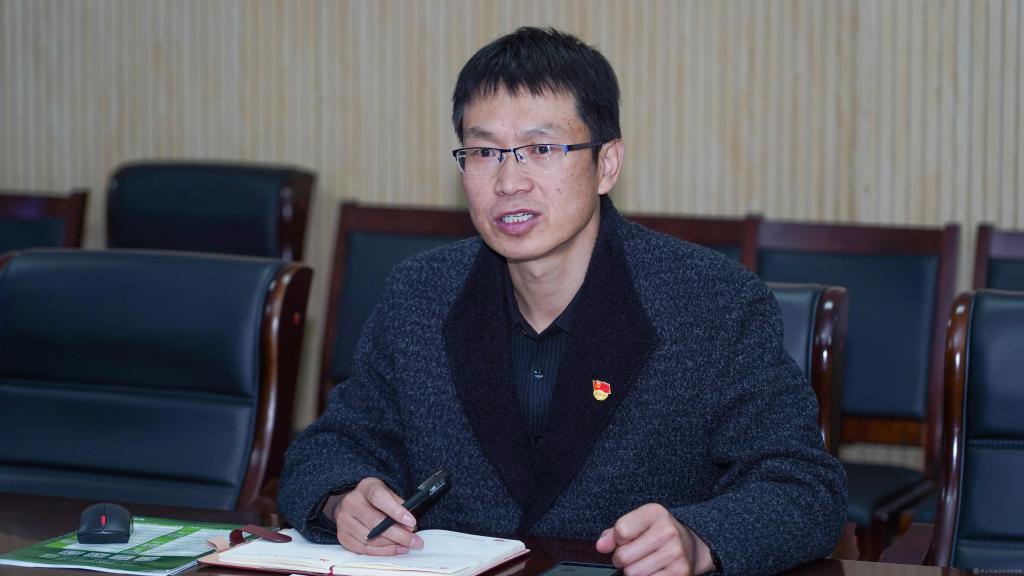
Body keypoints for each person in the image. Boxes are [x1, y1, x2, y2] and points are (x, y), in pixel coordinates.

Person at [279, 26, 846, 576]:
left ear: (607, 164)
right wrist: (341, 498)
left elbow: (804, 488)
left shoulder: (712, 302)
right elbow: (329, 447)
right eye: (485, 152)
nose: (509, 182)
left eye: (541, 148)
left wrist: (700, 541)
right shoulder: (419, 295)